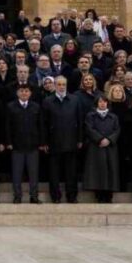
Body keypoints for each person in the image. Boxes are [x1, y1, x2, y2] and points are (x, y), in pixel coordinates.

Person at [42, 76, 84, 204]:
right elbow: (43, 123)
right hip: (54, 141)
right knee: (54, 172)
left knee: (71, 172)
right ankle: (55, 196)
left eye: (63, 84)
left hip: (71, 141)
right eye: (59, 84)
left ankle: (72, 196)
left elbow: (80, 121)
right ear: (54, 85)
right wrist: (44, 142)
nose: (61, 87)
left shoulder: (75, 100)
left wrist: (80, 139)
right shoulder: (48, 101)